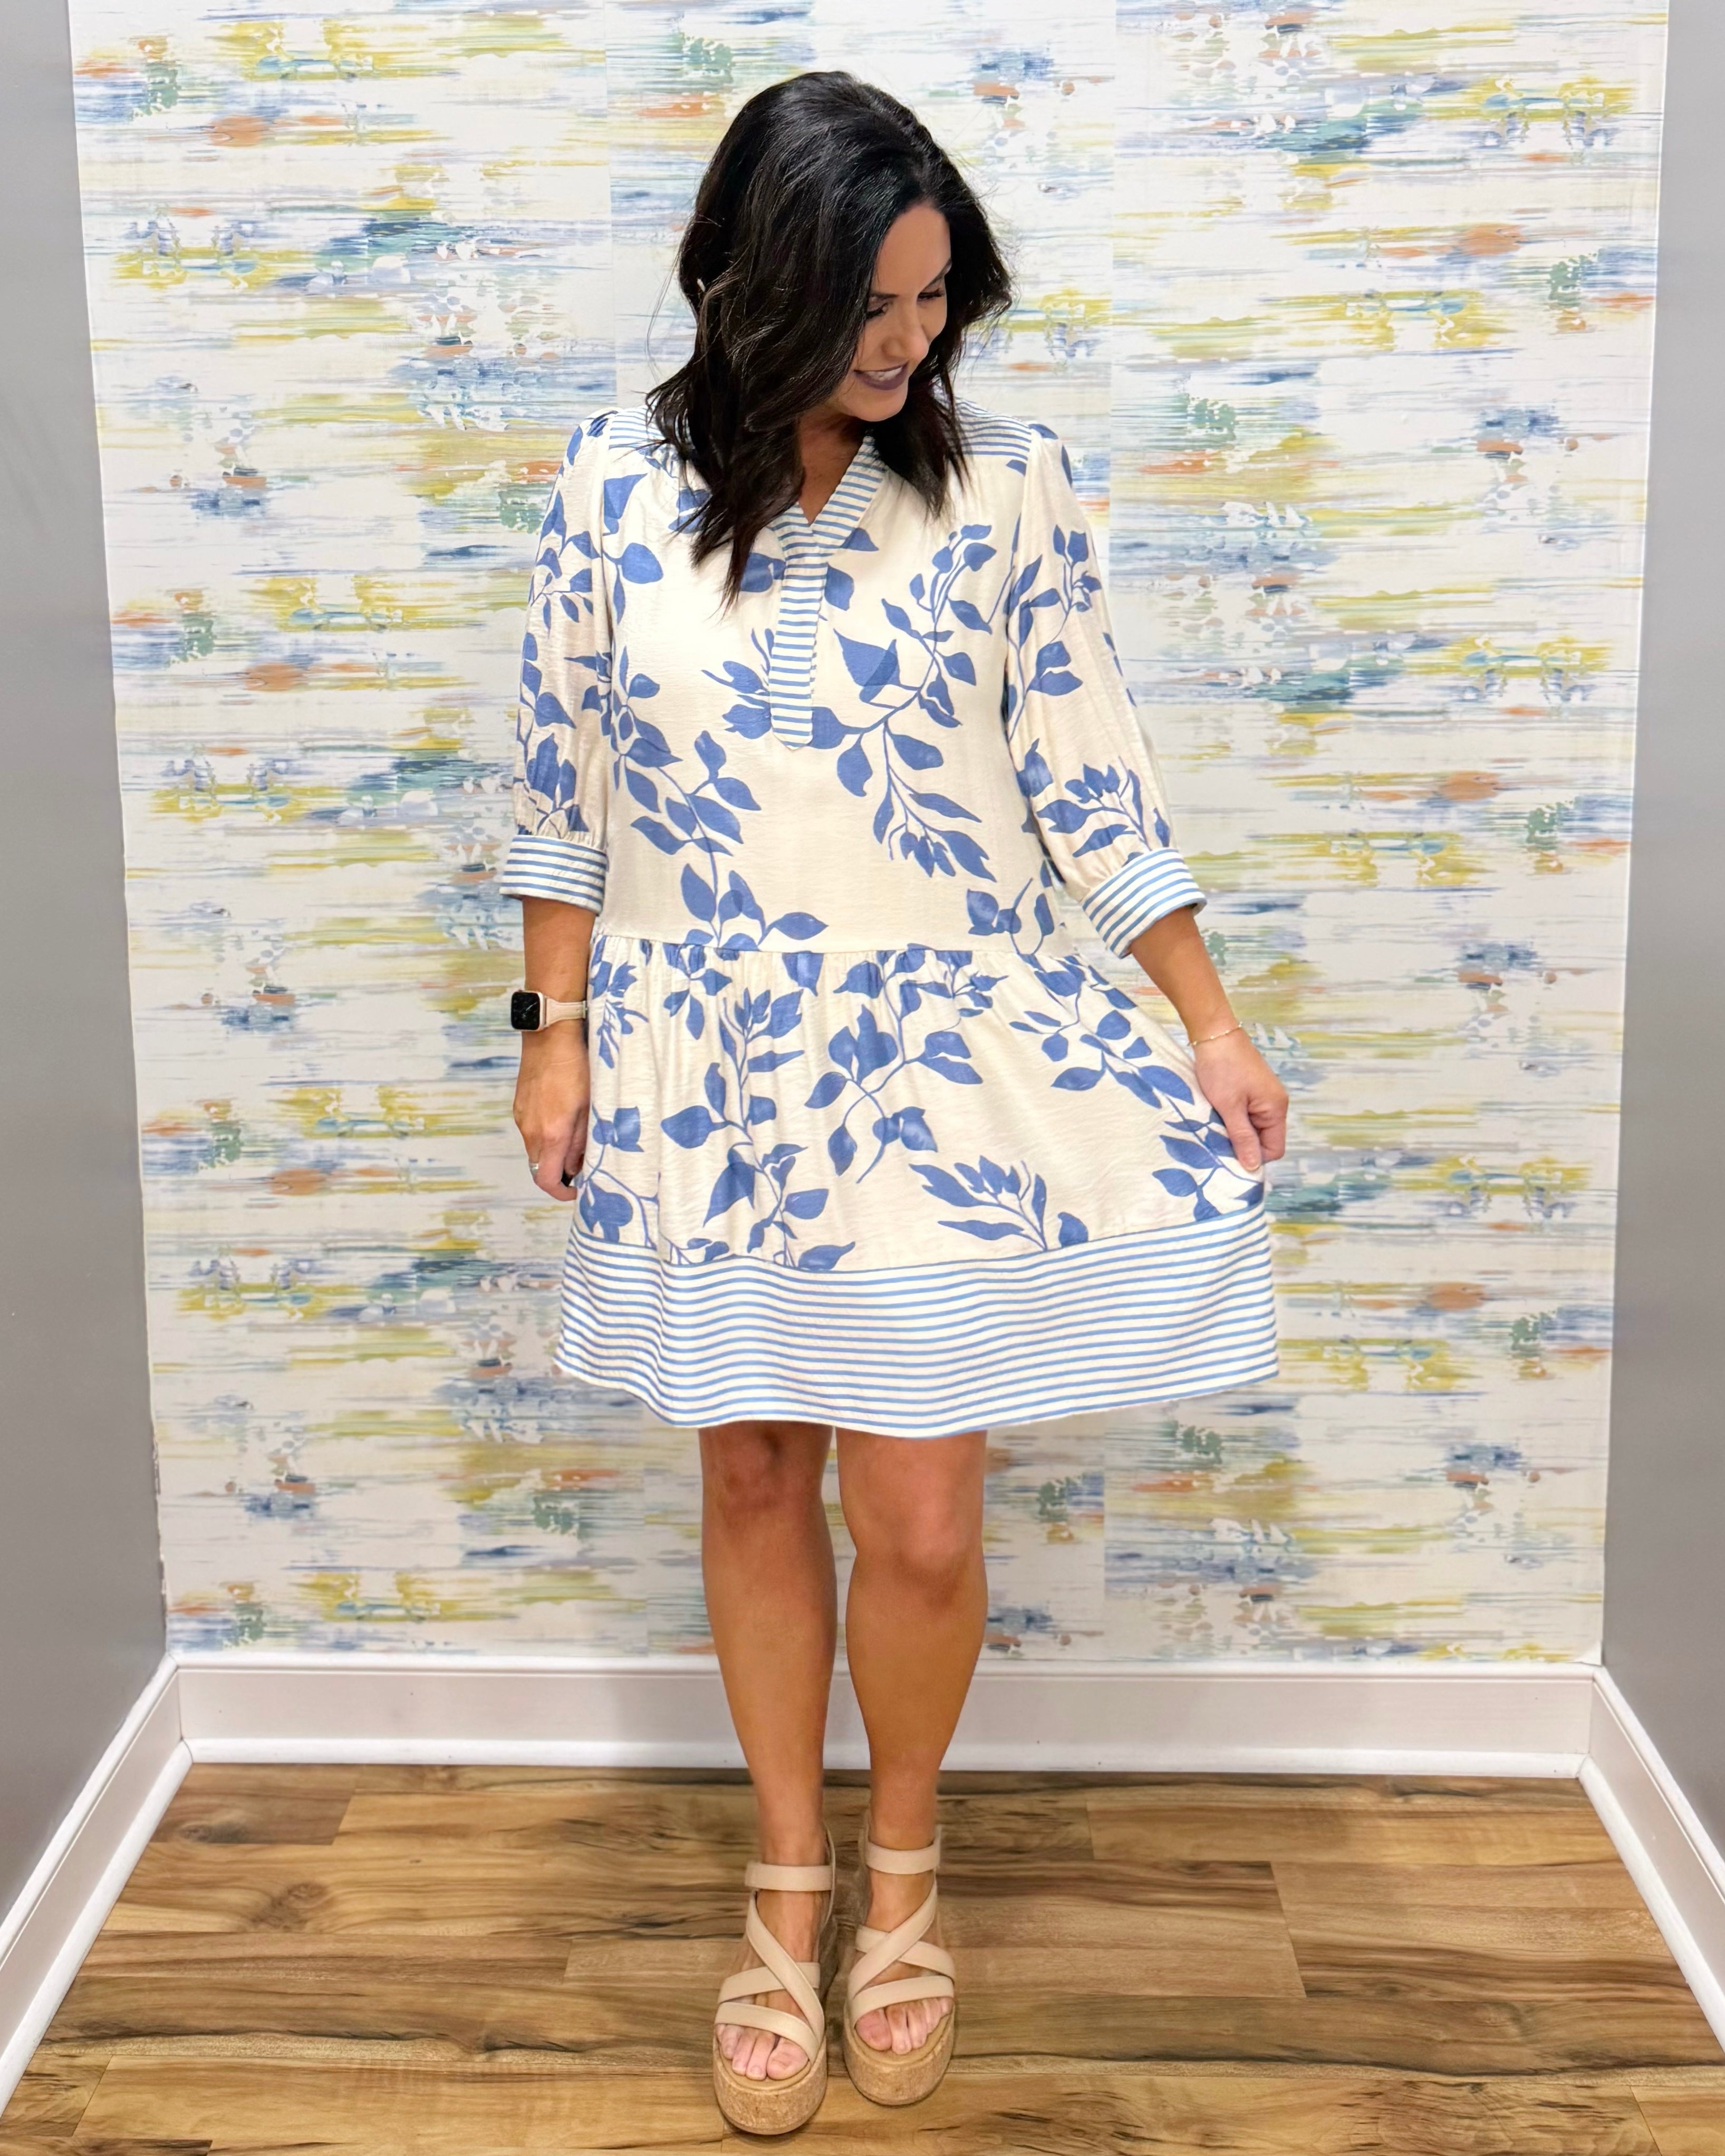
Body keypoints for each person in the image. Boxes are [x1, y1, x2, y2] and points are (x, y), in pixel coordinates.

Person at [503, 70, 1287, 2133]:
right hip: (702, 1055)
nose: (912, 340)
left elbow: (1092, 789)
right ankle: (785, 1882)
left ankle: (907, 1863)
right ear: (755, 278)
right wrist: (550, 1029)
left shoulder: (1007, 493)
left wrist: (1204, 1019)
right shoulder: (605, 485)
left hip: (936, 1065)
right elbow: (558, 794)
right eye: (875, 301)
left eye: (936, 300)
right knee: (755, 1474)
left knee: (919, 1498)